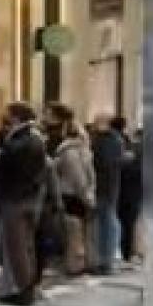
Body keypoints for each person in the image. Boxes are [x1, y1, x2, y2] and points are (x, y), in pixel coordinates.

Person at [0, 102, 49, 306]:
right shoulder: (36, 139)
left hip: (15, 199)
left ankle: (24, 290)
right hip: (31, 198)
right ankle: (28, 285)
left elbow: (3, 162)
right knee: (27, 245)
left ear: (15, 117)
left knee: (17, 247)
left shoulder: (19, 141)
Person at [46, 104, 96, 276]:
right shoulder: (83, 147)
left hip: (70, 194)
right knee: (77, 231)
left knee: (72, 232)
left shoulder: (68, 151)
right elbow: (89, 174)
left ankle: (74, 265)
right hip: (77, 193)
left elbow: (77, 176)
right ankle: (79, 263)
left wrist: (85, 195)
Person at [90, 115, 127, 275]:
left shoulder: (107, 140)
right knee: (107, 223)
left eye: (97, 121)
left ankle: (106, 262)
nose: (93, 124)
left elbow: (104, 162)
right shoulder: (114, 139)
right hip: (108, 187)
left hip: (104, 187)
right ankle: (106, 260)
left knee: (106, 224)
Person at [118, 125, 144, 263]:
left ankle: (127, 252)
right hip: (138, 190)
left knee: (128, 223)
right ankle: (136, 252)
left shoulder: (133, 150)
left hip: (128, 191)